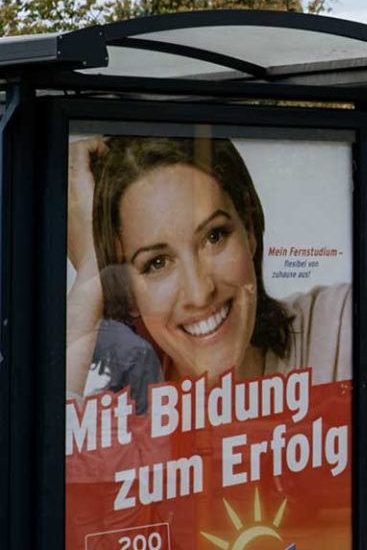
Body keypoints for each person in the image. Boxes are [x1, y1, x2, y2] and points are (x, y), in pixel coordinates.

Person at [65, 134, 352, 401]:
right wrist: (90, 275)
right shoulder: (116, 415)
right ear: (126, 291)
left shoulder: (335, 327)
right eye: (157, 263)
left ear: (248, 229)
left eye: (214, 237)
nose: (200, 293)